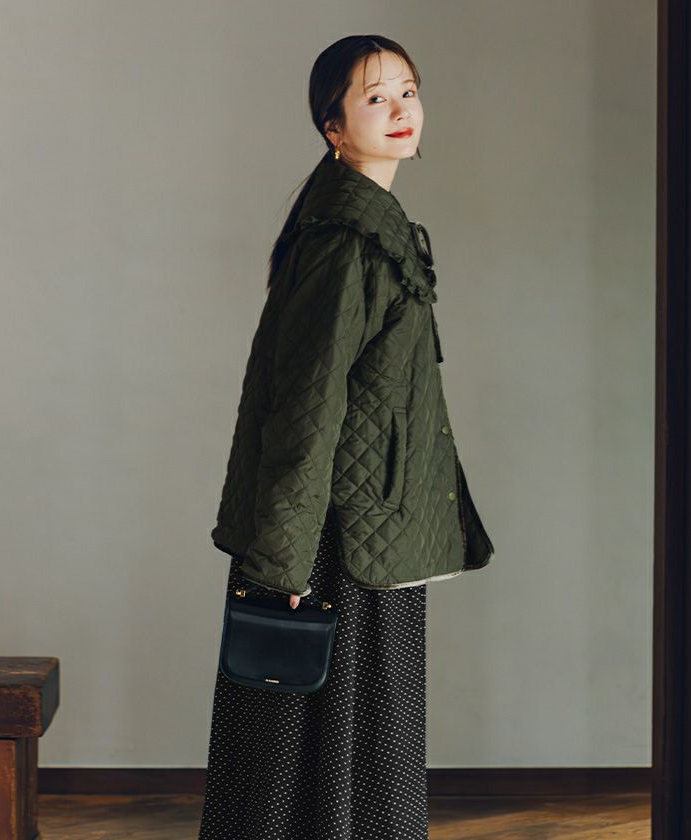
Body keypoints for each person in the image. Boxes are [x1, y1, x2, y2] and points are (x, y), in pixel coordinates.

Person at [198, 34, 495, 840]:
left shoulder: (370, 227)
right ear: (333, 127)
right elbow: (306, 408)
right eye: (375, 97)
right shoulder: (347, 242)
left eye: (408, 91)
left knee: (332, 751)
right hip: (338, 540)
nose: (400, 109)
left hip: (369, 527)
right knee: (328, 753)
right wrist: (282, 564)